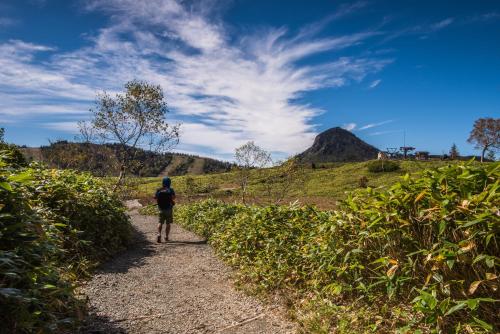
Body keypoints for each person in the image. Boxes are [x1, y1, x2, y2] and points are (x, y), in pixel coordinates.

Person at [154, 177, 176, 243]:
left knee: (160, 222)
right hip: (169, 209)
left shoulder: (159, 189)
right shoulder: (171, 189)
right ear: (169, 182)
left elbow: (155, 197)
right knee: (168, 223)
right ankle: (166, 237)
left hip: (161, 208)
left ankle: (159, 234)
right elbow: (174, 197)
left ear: (163, 182)